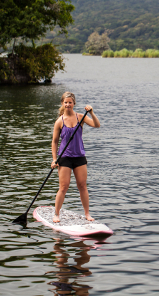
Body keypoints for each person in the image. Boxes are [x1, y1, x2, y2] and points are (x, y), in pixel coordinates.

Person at [51, 92, 100, 223]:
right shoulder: (59, 121)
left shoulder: (80, 117)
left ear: (74, 104)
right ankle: (56, 214)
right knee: (64, 187)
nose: (68, 104)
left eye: (70, 102)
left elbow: (96, 125)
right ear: (62, 103)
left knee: (82, 185)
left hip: (79, 156)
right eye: (65, 102)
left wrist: (91, 113)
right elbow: (55, 142)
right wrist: (54, 159)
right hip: (64, 157)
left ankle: (87, 214)